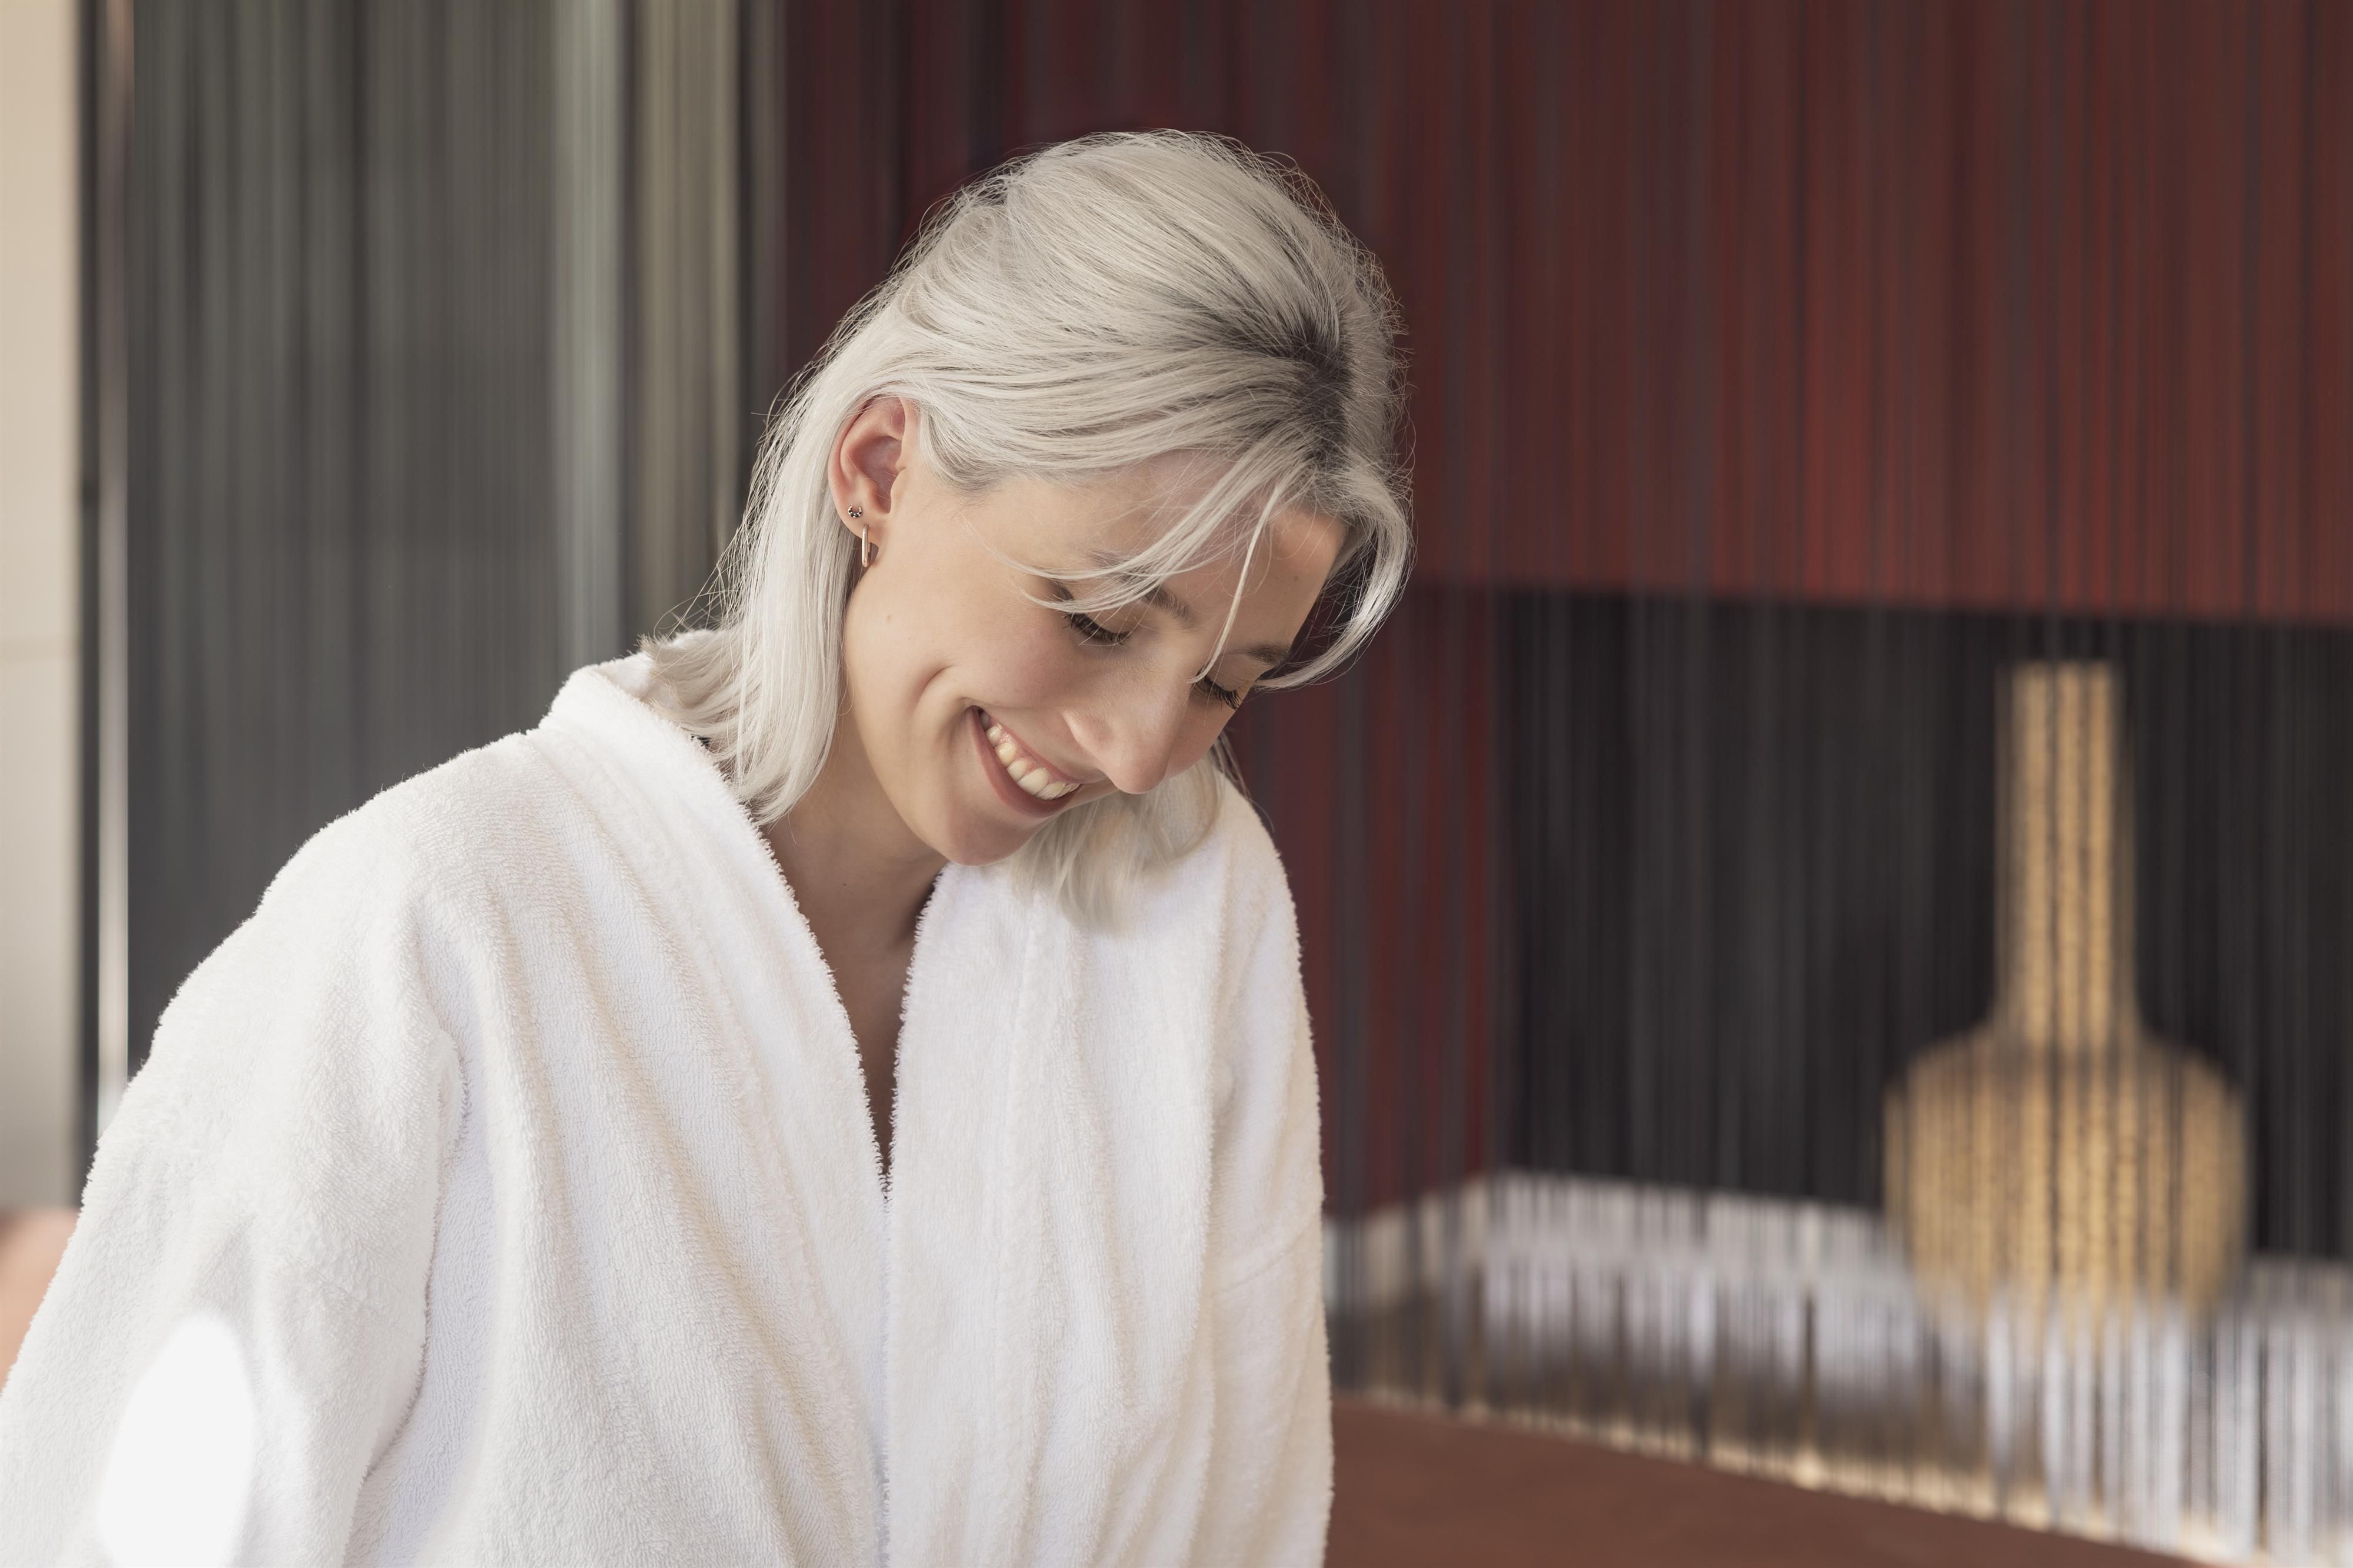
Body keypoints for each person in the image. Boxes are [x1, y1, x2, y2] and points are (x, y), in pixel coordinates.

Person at [0, 129, 1409, 1565]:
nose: (1139, 749)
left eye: (1224, 682)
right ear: (881, 467)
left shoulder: (1193, 895)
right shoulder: (429, 922)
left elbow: (1246, 1508)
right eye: (1099, 620)